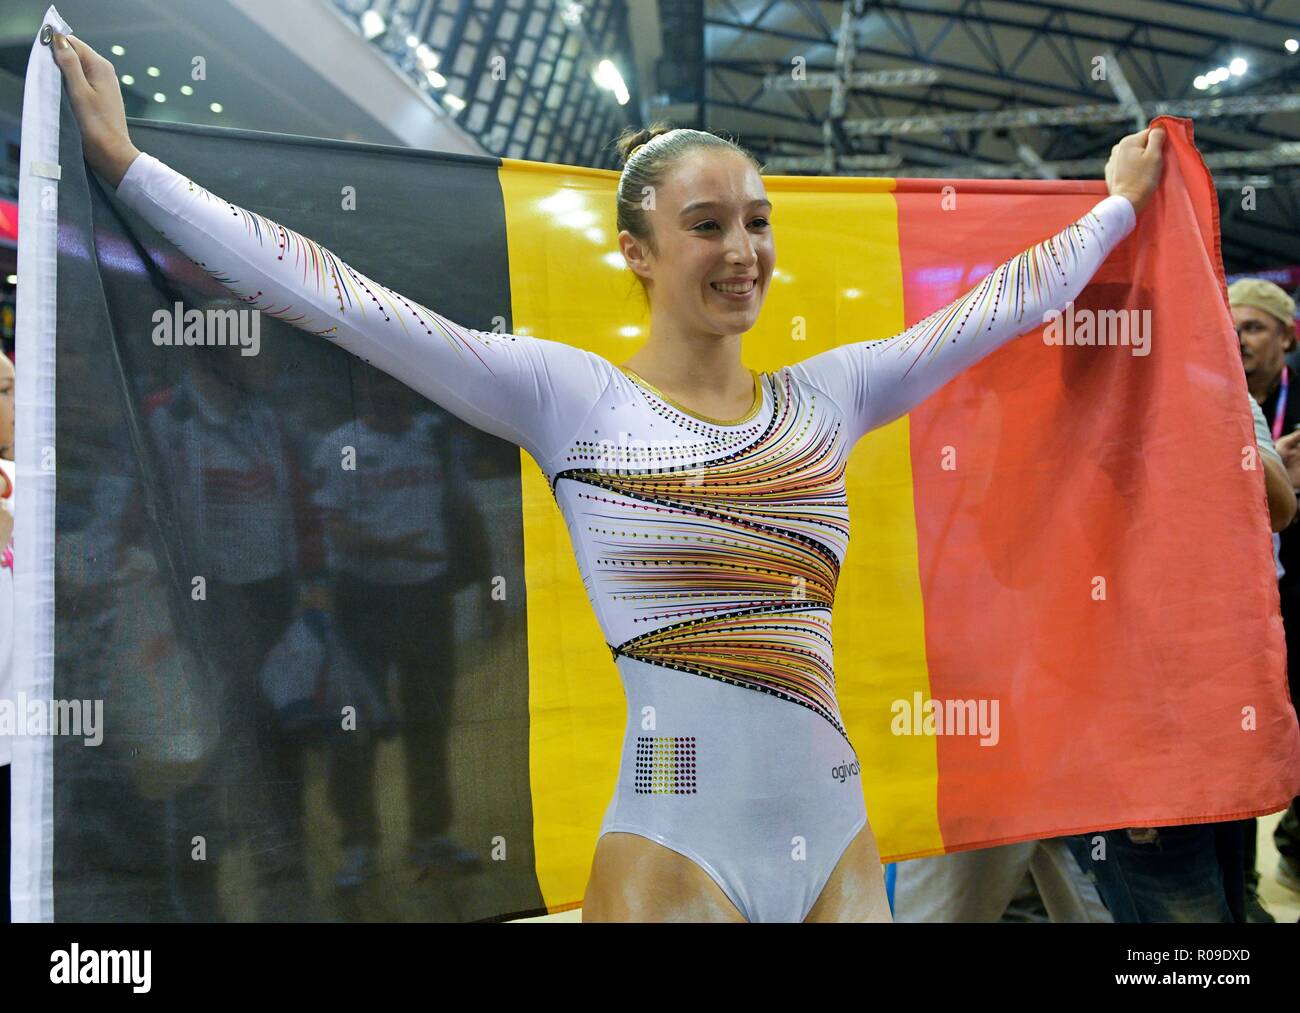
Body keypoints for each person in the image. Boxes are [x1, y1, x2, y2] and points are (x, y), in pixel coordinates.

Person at [52, 32, 1163, 922]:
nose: (745, 251)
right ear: (636, 250)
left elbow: (1003, 304)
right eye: (707, 225)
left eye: (758, 222)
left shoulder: (834, 394)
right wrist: (132, 172)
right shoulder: (568, 396)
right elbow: (338, 295)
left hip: (836, 838)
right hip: (675, 849)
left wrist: (1115, 205)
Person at [1232, 277, 1300, 899]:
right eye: (1231, 328)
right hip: (1240, 611)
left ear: (1286, 335)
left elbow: (1280, 512)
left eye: (1253, 328)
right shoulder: (1203, 391)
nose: (1240, 341)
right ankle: (1243, 882)